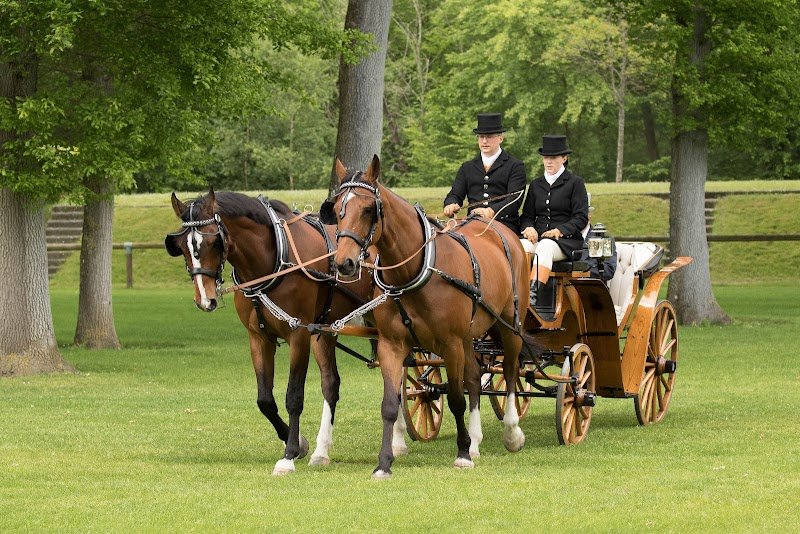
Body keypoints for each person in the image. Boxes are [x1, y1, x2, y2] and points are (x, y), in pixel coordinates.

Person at [520, 134, 589, 306]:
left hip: (565, 243)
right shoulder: (536, 185)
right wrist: (528, 228)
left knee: (545, 246)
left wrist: (559, 231)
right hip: (539, 239)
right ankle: (516, 292)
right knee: (521, 246)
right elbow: (527, 216)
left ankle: (532, 297)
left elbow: (581, 218)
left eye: (553, 158)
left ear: (564, 158)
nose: (548, 162)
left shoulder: (575, 183)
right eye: (546, 158)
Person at [443, 113, 526, 233]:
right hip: (472, 223)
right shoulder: (467, 167)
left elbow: (514, 199)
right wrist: (451, 204)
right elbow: (455, 194)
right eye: (481, 137)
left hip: (504, 225)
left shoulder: (515, 166)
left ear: (501, 138)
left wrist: (491, 211)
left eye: (489, 136)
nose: (484, 141)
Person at [582, 193, 617, 283]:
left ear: (589, 214)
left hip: (590, 288)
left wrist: (581, 267)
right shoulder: (564, 237)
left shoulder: (603, 238)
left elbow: (609, 270)